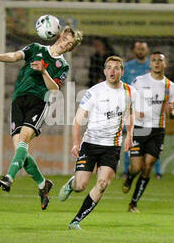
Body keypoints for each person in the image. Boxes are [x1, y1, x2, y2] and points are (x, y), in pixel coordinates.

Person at [0, 26, 83, 210]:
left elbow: (54, 89)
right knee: (20, 150)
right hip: (18, 100)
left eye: (70, 44)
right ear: (60, 36)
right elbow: (14, 56)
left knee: (23, 141)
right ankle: (42, 184)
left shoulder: (63, 66)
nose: (66, 44)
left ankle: (8, 178)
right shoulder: (36, 48)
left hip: (39, 101)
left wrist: (44, 71)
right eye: (66, 39)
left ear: (71, 48)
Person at [58, 56, 135, 230]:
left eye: (116, 68)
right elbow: (77, 120)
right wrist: (76, 144)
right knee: (81, 186)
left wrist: (130, 134)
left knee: (102, 184)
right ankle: (72, 183)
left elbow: (130, 114)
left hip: (112, 147)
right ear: (104, 71)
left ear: (122, 71)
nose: (112, 71)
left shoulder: (130, 92)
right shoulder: (94, 92)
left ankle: (76, 221)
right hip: (91, 143)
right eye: (109, 67)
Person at [122, 51, 174, 212]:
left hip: (158, 130)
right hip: (140, 128)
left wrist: (172, 112)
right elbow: (128, 99)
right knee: (136, 166)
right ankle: (130, 177)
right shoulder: (139, 81)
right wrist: (135, 110)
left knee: (148, 167)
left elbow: (173, 109)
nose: (157, 63)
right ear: (150, 64)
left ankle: (133, 203)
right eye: (154, 60)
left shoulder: (170, 87)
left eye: (160, 60)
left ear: (164, 64)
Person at [121, 41, 163, 179]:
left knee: (153, 141)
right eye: (138, 48)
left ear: (147, 50)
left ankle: (157, 172)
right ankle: (128, 170)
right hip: (134, 109)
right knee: (130, 137)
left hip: (152, 110)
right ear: (134, 50)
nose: (140, 51)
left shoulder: (151, 66)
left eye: (143, 49)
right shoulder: (127, 67)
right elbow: (124, 88)